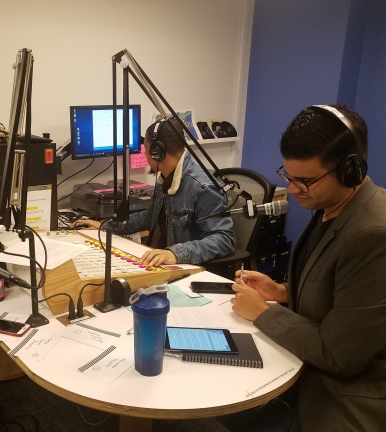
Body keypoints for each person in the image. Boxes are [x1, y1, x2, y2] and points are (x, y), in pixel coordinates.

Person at [229, 105, 386, 432]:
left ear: (350, 170)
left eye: (305, 181)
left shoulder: (373, 235)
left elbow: (339, 354)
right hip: (306, 367)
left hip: (344, 397)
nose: (294, 188)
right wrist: (283, 292)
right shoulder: (332, 204)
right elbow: (340, 293)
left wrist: (263, 312)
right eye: (289, 176)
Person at [73, 118, 235, 266]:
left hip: (186, 268)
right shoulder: (164, 179)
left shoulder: (203, 186)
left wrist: (175, 253)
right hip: (159, 260)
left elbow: (224, 239)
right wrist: (105, 225)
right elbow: (149, 216)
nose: (145, 154)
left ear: (157, 152)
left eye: (147, 150)